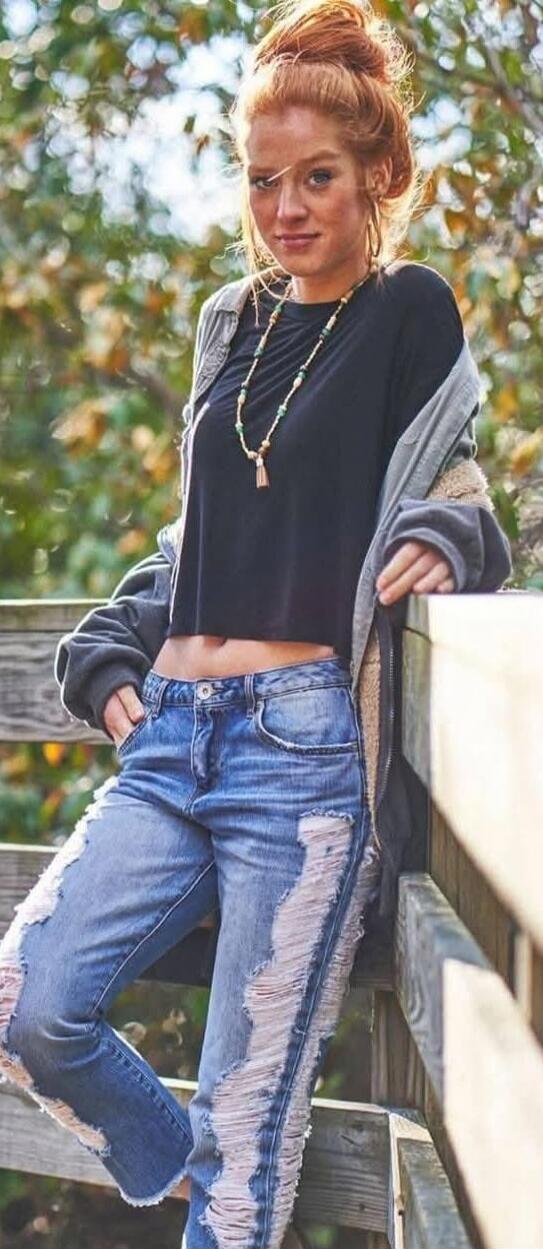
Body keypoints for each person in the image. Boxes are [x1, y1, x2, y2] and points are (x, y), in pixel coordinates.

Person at [0, 1, 512, 1246]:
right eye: (263, 180)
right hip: (170, 738)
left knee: (252, 1133)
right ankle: (169, 1161)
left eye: (317, 178)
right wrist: (114, 640)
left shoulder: (407, 312)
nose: (286, 207)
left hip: (302, 764)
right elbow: (203, 534)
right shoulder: (233, 323)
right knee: (28, 1006)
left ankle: (218, 1184)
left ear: (378, 175)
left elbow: (461, 492)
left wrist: (448, 541)